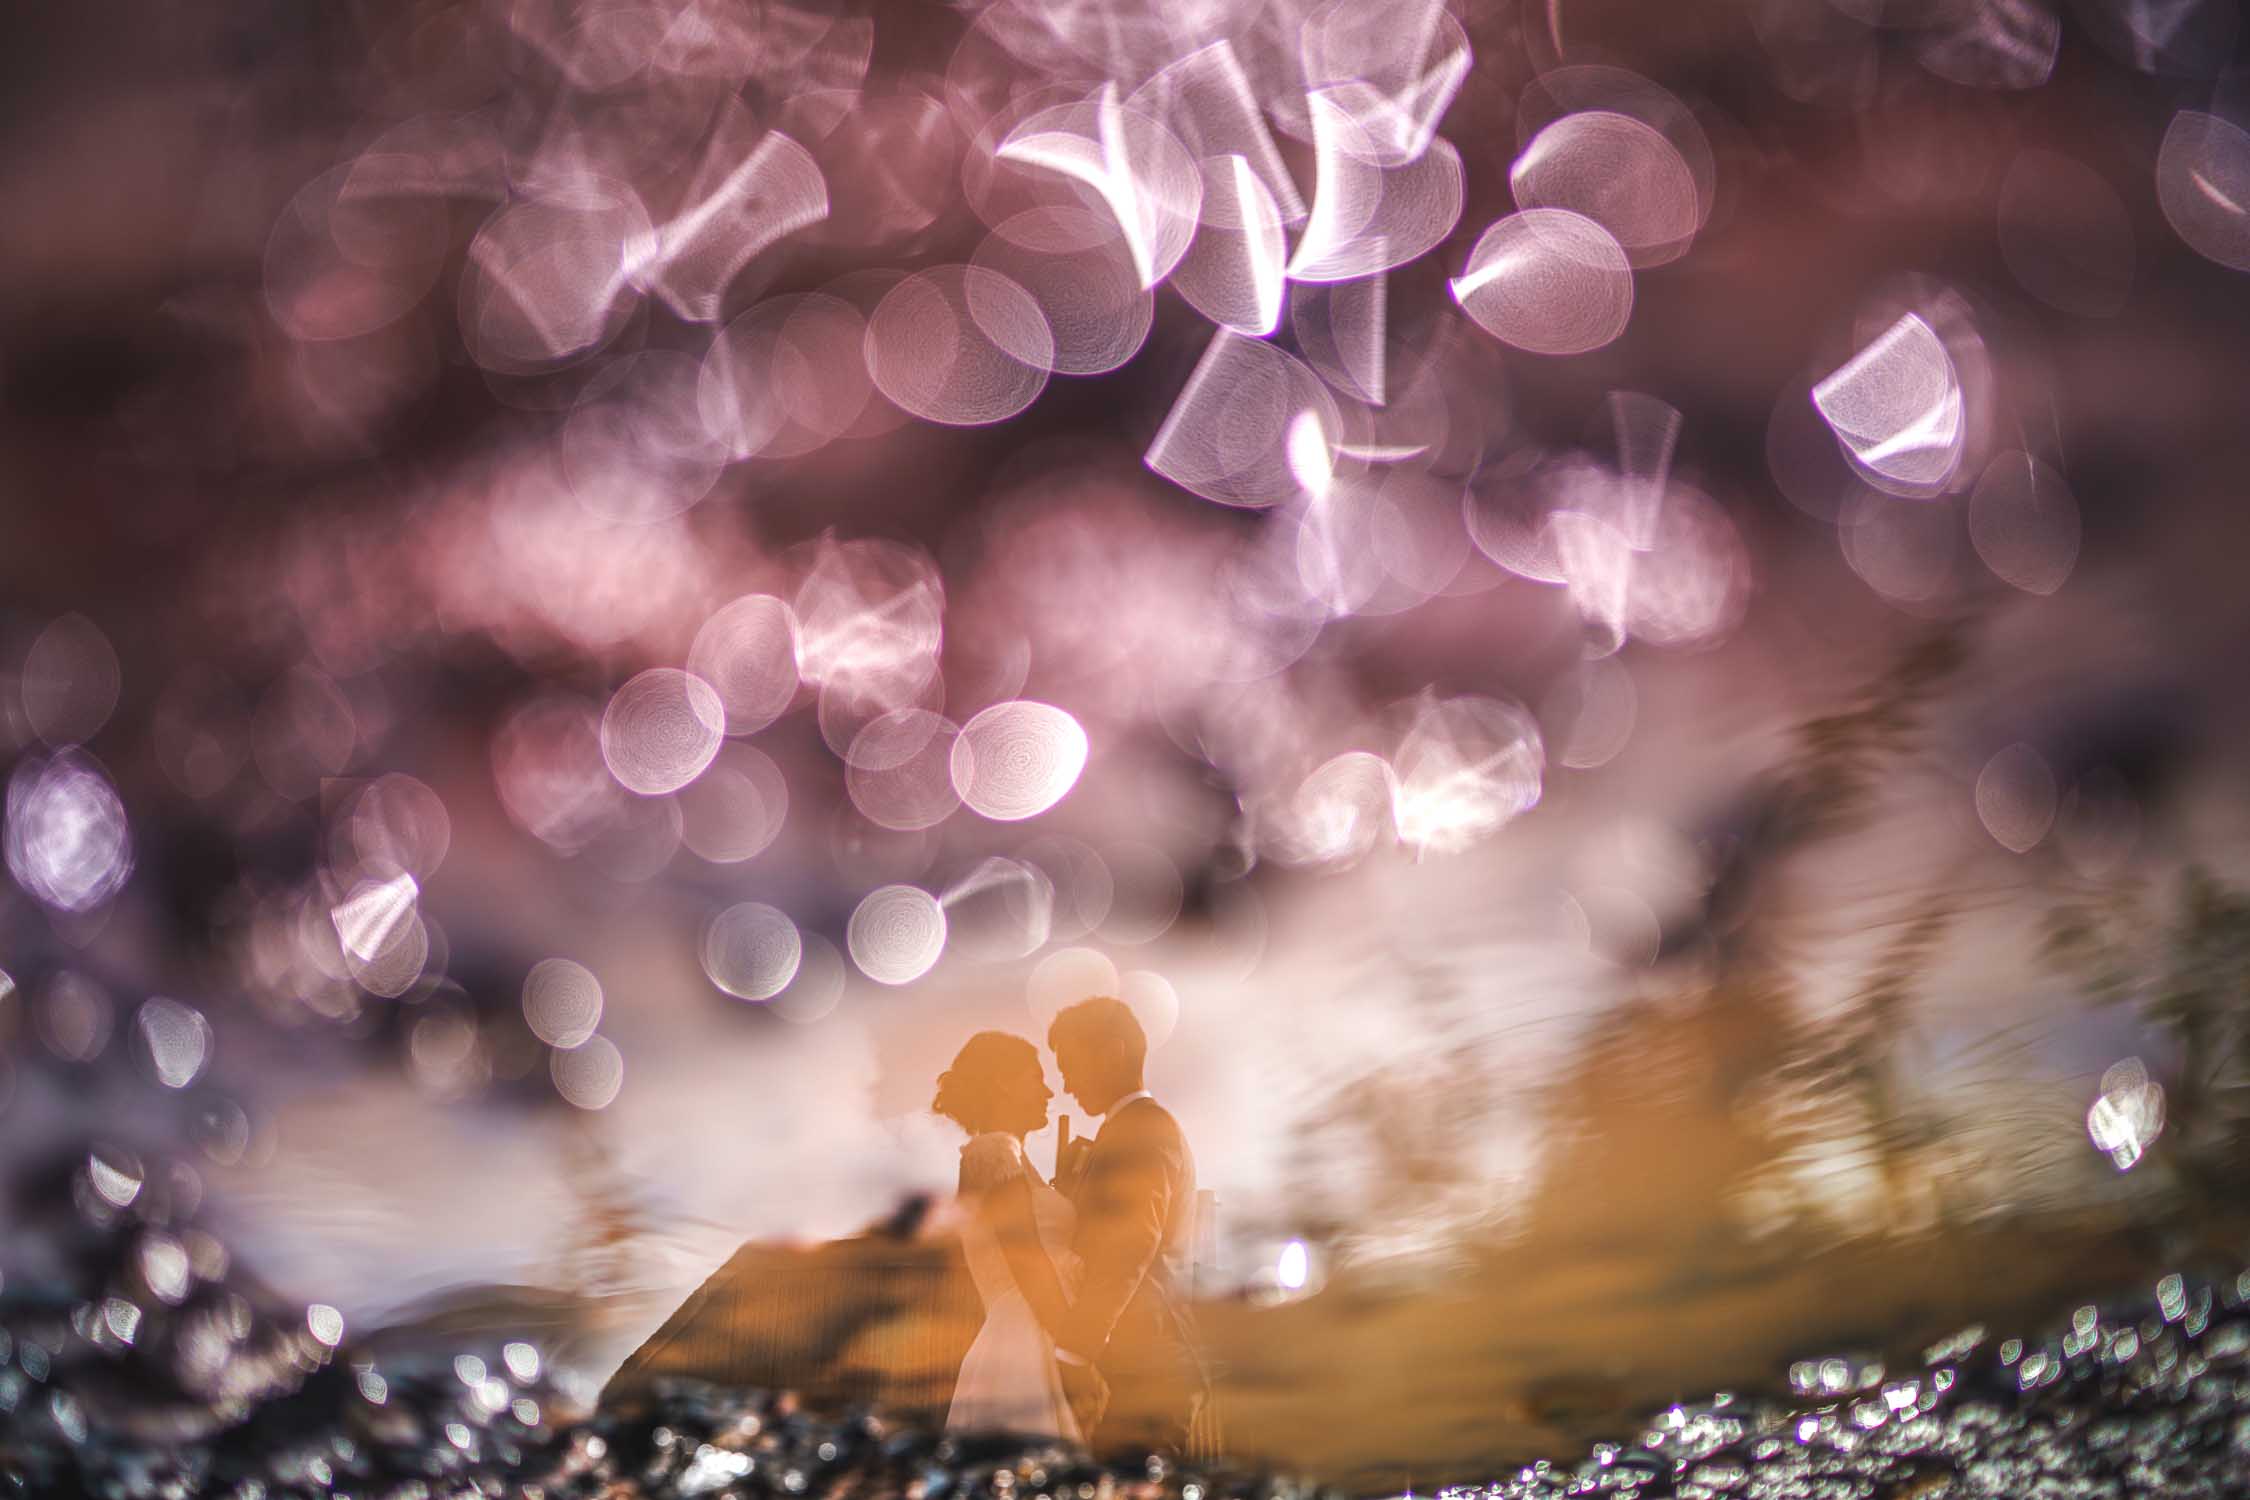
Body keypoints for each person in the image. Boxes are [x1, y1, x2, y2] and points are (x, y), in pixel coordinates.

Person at [1043, 997, 1212, 1458]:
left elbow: (1130, 1242)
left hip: (1150, 1369)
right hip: (1141, 1369)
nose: (1067, 1084)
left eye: (1071, 1064)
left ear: (1113, 1052)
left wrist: (1075, 1349)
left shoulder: (1142, 1129)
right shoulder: (1134, 1128)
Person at [934, 1030, 1083, 1442]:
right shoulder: (993, 1155)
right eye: (1036, 1078)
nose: (1049, 1092)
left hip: (1029, 1332)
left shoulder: (1012, 1160)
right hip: (1030, 1337)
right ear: (1003, 1082)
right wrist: (1077, 1353)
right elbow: (1027, 1260)